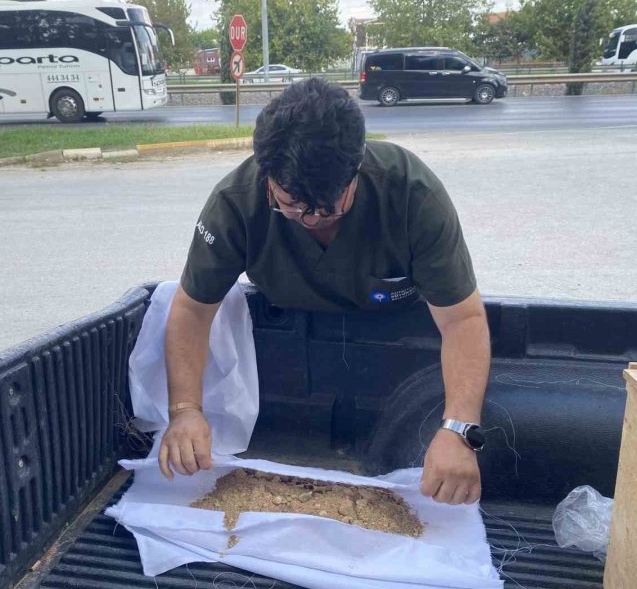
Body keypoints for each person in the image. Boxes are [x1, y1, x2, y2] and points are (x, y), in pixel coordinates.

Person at [160, 78, 491, 505]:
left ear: (357, 170)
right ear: (267, 176)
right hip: (290, 359)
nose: (310, 221)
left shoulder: (413, 194)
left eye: (328, 209)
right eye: (290, 205)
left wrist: (459, 429)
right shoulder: (235, 202)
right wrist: (185, 410)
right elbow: (192, 310)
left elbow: (462, 319)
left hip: (399, 353)